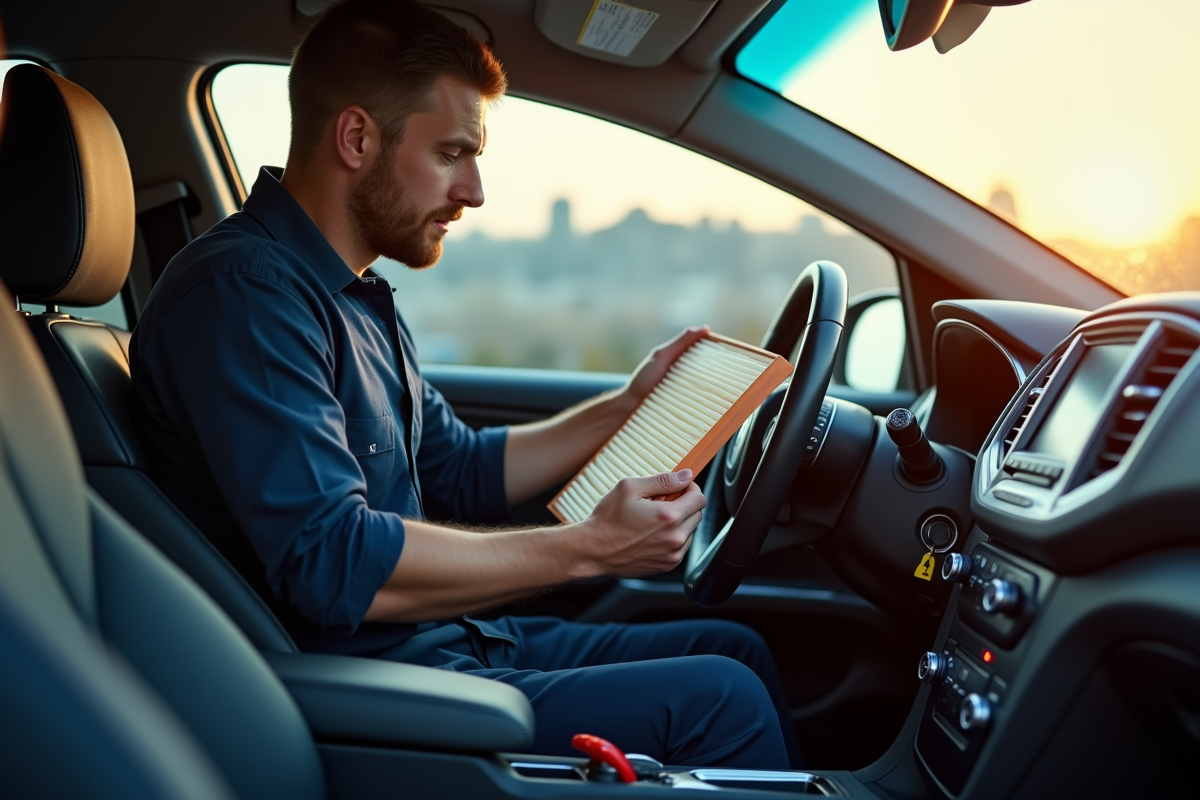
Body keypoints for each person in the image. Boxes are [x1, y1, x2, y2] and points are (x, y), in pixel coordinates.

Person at [131, 0, 801, 769]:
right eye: (453, 154)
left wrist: (627, 407)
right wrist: (589, 548)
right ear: (356, 137)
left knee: (734, 649)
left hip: (454, 641)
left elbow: (457, 468)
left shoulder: (353, 294)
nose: (475, 191)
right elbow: (331, 560)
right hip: (377, 685)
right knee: (725, 698)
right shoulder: (243, 295)